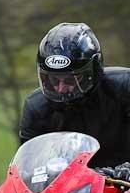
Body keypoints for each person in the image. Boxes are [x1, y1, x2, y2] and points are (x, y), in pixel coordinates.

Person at [19, 22, 130, 179]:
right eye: (53, 80)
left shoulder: (124, 87)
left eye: (71, 81)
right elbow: (28, 167)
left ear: (93, 71)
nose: (61, 88)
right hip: (75, 191)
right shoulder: (36, 107)